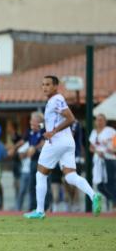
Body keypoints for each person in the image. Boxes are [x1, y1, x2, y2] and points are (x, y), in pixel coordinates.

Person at [24, 76, 101, 219]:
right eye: (43, 84)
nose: (45, 87)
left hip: (56, 142)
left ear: (55, 86)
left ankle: (40, 211)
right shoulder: (53, 101)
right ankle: (93, 195)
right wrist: (41, 126)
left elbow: (70, 118)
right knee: (70, 176)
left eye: (48, 84)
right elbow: (53, 122)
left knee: (40, 174)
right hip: (67, 143)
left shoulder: (56, 99)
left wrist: (53, 132)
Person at [20, 112, 47, 211]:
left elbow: (43, 142)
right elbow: (22, 141)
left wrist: (34, 148)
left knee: (43, 183)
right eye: (31, 121)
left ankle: (46, 207)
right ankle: (32, 207)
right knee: (32, 185)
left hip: (43, 161)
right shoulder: (30, 131)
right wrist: (14, 149)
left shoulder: (44, 129)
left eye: (34, 121)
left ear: (40, 122)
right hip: (33, 161)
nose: (32, 123)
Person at [89, 114, 116, 212]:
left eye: (101, 120)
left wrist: (111, 149)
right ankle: (113, 200)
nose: (99, 122)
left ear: (105, 121)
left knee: (110, 182)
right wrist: (97, 152)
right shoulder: (94, 132)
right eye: (97, 120)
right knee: (100, 185)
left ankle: (114, 202)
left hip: (109, 158)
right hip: (98, 160)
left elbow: (114, 144)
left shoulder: (110, 131)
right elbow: (91, 147)